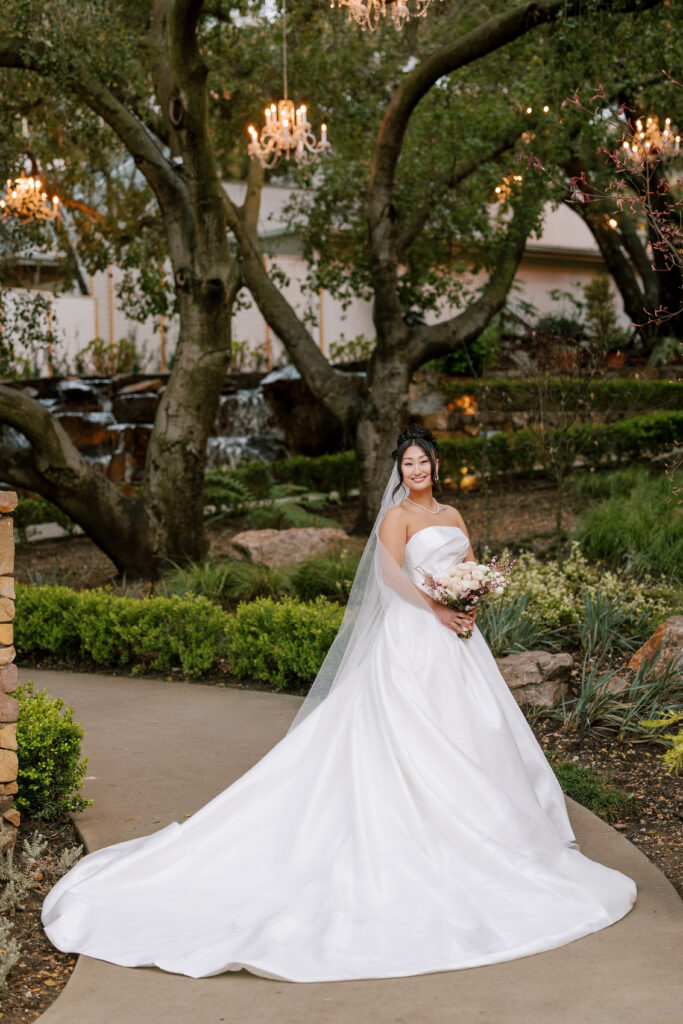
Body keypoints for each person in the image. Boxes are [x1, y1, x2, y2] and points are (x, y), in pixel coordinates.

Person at [42, 425, 636, 983]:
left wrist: (470, 596)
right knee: (411, 731)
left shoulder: (451, 512)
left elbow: (466, 564)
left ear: (436, 465)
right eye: (408, 462)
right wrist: (434, 606)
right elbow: (389, 578)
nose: (417, 469)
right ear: (399, 471)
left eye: (424, 460)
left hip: (460, 636)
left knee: (477, 725)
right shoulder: (398, 517)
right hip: (413, 634)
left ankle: (503, 832)